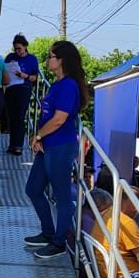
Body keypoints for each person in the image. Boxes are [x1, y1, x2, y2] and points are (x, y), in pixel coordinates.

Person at [28, 41, 89, 259]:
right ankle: (48, 232)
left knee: (62, 196)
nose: (47, 60)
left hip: (60, 146)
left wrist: (38, 135)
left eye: (51, 56)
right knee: (33, 189)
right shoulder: (57, 85)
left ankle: (59, 242)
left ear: (61, 60)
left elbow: (59, 119)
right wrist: (39, 137)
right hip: (48, 145)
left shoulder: (68, 85)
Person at [3, 34, 40, 155]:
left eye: (19, 48)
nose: (17, 51)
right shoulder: (10, 57)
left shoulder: (32, 59)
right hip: (11, 87)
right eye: (15, 49)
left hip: (24, 87)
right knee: (11, 117)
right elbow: (4, 70)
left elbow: (35, 77)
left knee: (19, 116)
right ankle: (12, 144)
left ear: (25, 47)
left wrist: (25, 76)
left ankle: (18, 145)